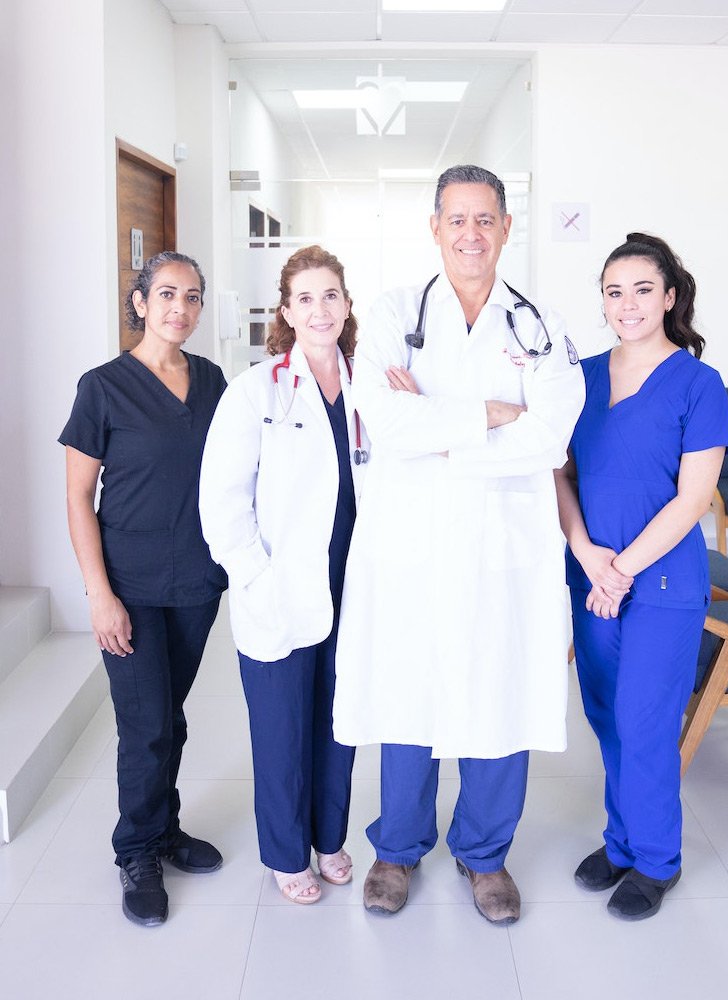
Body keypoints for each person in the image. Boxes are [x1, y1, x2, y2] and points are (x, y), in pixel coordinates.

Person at [332, 164, 586, 925]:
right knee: (408, 688)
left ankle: (485, 854)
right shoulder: (392, 313)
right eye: (457, 219)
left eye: (485, 219)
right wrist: (492, 415)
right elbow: (384, 420)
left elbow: (550, 438)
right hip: (411, 543)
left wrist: (440, 429)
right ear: (435, 228)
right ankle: (398, 848)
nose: (471, 233)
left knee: (498, 691)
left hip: (503, 545)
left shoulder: (539, 326)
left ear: (506, 227)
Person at [554, 233, 728, 921]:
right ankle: (622, 842)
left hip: (659, 584)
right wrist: (585, 553)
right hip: (592, 576)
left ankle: (657, 858)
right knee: (605, 714)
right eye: (614, 291)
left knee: (645, 720)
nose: (626, 304)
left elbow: (693, 500)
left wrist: (620, 571)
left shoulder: (697, 384)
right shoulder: (580, 378)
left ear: (669, 297)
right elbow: (558, 473)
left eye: (641, 289)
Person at [60, 251, 228, 928]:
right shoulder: (102, 387)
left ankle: (163, 829)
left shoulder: (211, 380)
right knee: (146, 723)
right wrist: (98, 594)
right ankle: (135, 851)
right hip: (128, 584)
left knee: (170, 715)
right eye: (165, 294)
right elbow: (78, 498)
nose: (179, 309)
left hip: (196, 580)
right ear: (139, 302)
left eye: (192, 297)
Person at [199, 245, 367, 905]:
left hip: (353, 583)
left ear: (346, 305)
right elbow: (222, 503)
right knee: (281, 730)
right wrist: (256, 580)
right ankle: (286, 853)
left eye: (331, 295)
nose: (320, 310)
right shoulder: (256, 390)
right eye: (305, 298)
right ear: (287, 313)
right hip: (280, 589)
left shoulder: (370, 386)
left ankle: (329, 839)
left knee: (339, 724)